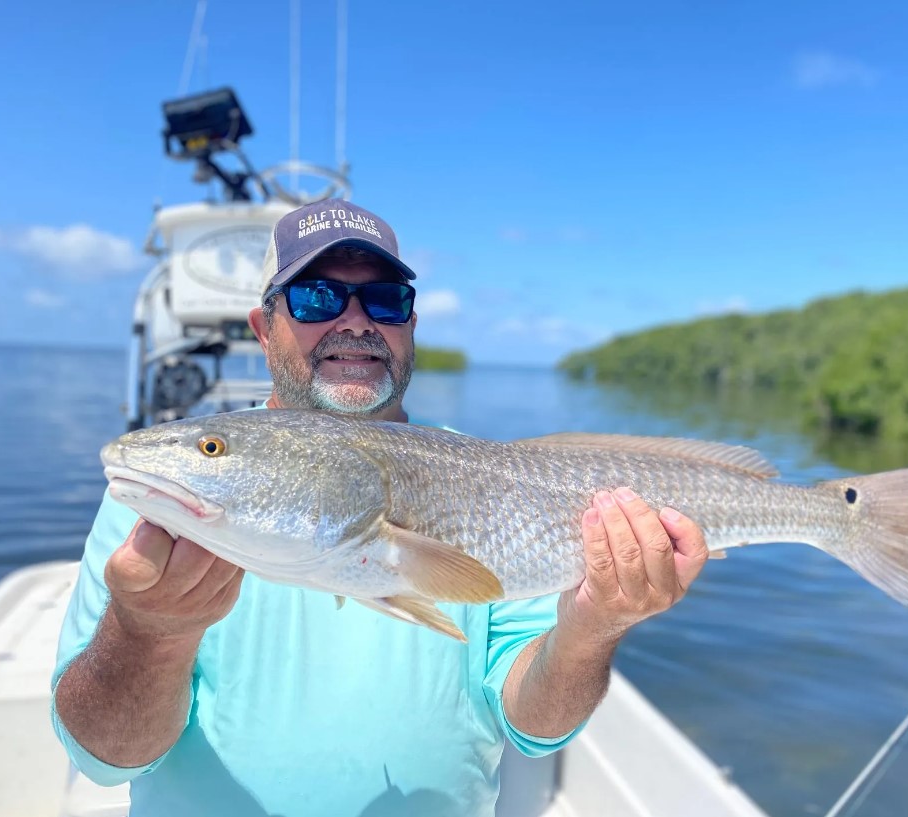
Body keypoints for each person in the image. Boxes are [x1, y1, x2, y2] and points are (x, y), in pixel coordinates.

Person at [51, 198, 712, 817]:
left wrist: (593, 626)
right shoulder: (161, 510)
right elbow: (105, 759)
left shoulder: (487, 476)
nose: (356, 320)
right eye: (316, 296)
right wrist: (150, 632)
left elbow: (534, 727)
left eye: (385, 299)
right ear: (264, 328)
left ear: (409, 324)